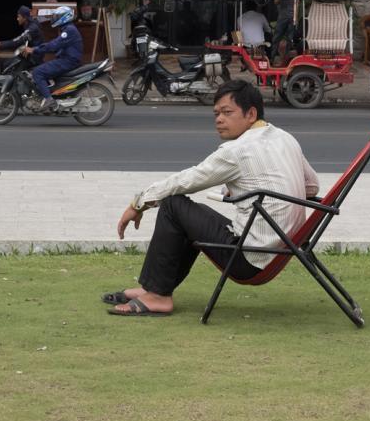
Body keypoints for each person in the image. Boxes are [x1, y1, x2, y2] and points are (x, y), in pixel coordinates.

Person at [107, 80, 319, 317]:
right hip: (281, 248)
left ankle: (157, 296)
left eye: (227, 113)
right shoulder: (285, 138)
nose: (219, 119)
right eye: (216, 113)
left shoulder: (236, 151)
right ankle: (153, 289)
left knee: (173, 205)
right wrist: (255, 186)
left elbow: (186, 180)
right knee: (189, 214)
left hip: (248, 259)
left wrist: (138, 203)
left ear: (251, 114)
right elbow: (311, 186)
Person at [19, 5, 82, 112]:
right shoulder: (67, 29)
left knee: (37, 72)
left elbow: (53, 45)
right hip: (66, 59)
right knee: (44, 68)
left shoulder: (69, 30)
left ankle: (49, 99)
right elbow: (54, 46)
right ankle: (51, 95)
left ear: (64, 17)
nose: (54, 18)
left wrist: (34, 49)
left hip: (68, 61)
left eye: (57, 16)